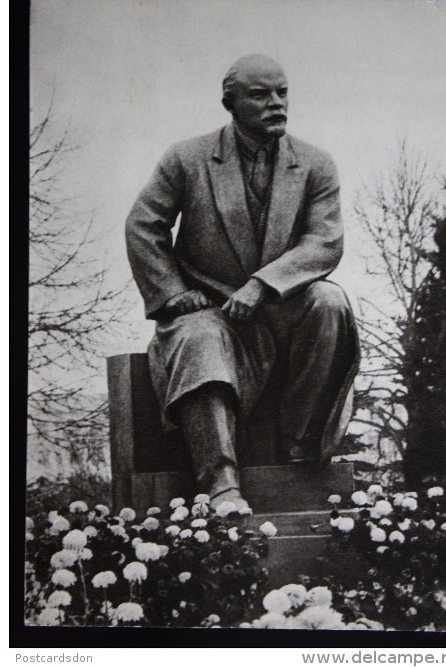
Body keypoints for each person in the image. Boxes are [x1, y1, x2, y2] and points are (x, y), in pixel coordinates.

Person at [125, 54, 360, 512]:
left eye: (282, 92)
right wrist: (173, 294)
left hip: (282, 308)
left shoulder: (315, 164)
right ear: (229, 103)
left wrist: (265, 285)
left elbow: (324, 241)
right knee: (200, 338)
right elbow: (143, 226)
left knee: (330, 302)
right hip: (209, 310)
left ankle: (299, 455)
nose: (276, 103)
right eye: (260, 94)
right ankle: (222, 486)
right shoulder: (186, 158)